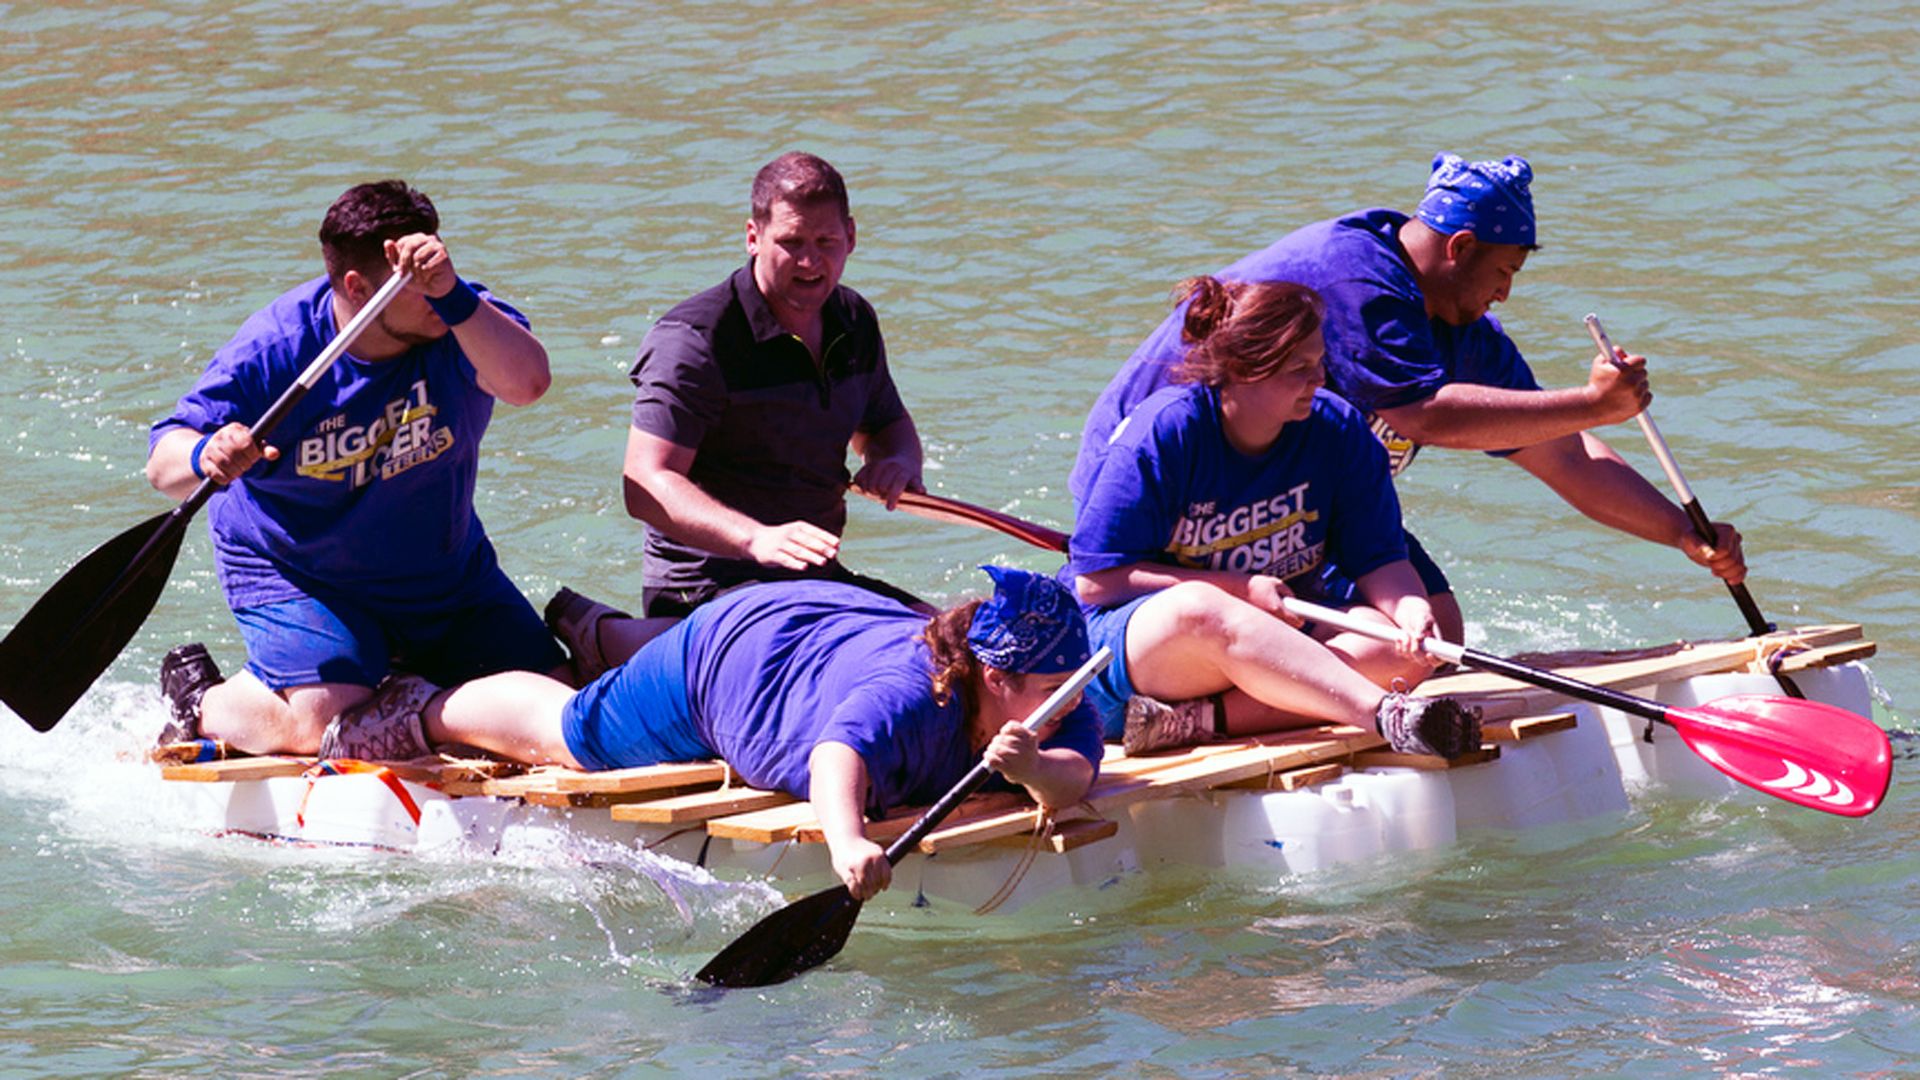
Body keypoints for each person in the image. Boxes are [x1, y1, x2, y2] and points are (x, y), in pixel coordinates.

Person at [1069, 153, 1746, 642]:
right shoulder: (1356, 281)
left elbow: (1563, 456)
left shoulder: (1468, 332)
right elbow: (1422, 414)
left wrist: (1682, 533)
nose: (1504, 294)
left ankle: (1331, 687)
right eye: (1504, 273)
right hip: (1175, 503)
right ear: (1459, 247)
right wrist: (1595, 402)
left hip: (1289, 508)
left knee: (1438, 625)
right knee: (1343, 629)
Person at [320, 567, 1104, 902]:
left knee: (598, 699)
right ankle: (418, 707)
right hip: (731, 663)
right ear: (993, 677)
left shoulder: (1058, 700)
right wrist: (848, 844)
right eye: (1046, 691)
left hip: (823, 625)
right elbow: (839, 755)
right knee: (570, 731)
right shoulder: (907, 695)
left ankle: (599, 633)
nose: (1065, 702)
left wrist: (1033, 767)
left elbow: (1077, 778)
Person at [146, 179, 565, 756]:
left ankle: (410, 690)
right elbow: (163, 464)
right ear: (357, 285)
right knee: (323, 720)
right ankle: (202, 699)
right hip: (298, 572)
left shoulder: (462, 318)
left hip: (439, 569)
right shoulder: (276, 347)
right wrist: (208, 453)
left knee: (553, 694)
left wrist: (451, 294)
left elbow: (528, 383)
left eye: (439, 266)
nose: (437, 291)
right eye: (417, 283)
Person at [1070, 276, 1480, 759]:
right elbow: (1097, 584)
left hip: (1268, 639)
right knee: (1201, 605)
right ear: (1244, 371)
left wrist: (1411, 610)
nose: (1320, 380)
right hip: (1150, 650)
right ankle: (1387, 716)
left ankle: (1192, 722)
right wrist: (1240, 590)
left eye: (1320, 362)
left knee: (1395, 649)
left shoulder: (1338, 430)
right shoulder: (1164, 433)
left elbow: (1379, 558)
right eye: (1299, 368)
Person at [609, 151, 926, 639]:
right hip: (707, 587)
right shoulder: (696, 339)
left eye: (826, 242)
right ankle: (613, 642)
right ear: (753, 238)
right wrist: (754, 538)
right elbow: (645, 483)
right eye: (791, 242)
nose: (809, 261)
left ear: (852, 237)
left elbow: (885, 425)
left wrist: (898, 461)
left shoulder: (854, 320)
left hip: (814, 579)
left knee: (954, 647)